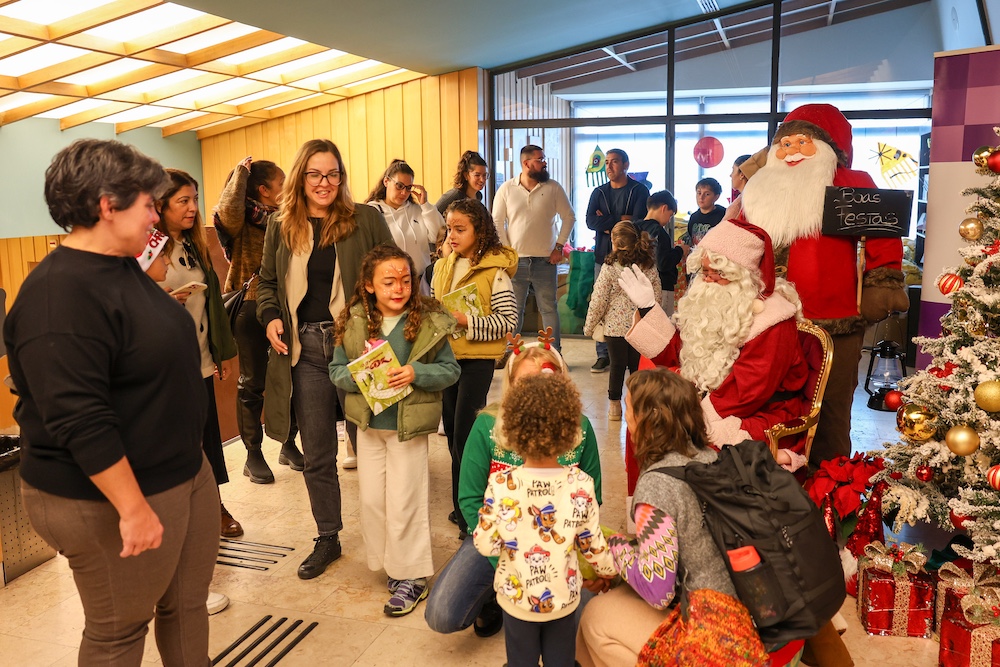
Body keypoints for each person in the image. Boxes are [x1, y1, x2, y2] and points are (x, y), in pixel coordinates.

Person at [4, 139, 219, 664]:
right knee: (119, 631)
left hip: (179, 469)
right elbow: (78, 417)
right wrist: (131, 507)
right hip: (110, 492)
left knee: (186, 607)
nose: (157, 214)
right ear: (107, 205)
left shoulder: (121, 265)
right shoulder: (58, 294)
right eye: (149, 203)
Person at [740, 103, 908, 466]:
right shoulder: (761, 188)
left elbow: (883, 231)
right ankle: (772, 477)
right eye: (784, 144)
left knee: (830, 407)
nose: (792, 151)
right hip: (764, 320)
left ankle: (831, 484)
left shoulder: (850, 183)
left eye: (804, 142)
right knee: (766, 402)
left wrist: (882, 282)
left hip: (833, 318)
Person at [257, 138, 395, 580]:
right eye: (315, 174)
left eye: (333, 174)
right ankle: (328, 536)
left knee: (375, 444)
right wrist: (271, 316)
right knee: (317, 452)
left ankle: (391, 537)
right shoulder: (281, 226)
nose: (325, 182)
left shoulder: (365, 219)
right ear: (300, 177)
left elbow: (393, 269)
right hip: (305, 352)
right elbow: (266, 283)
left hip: (357, 348)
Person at [575, 369, 773, 667]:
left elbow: (657, 590)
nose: (625, 418)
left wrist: (613, 546)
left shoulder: (657, 484)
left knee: (594, 618)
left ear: (647, 419)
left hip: (714, 631)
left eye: (629, 409)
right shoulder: (709, 457)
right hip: (751, 611)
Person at [424, 338, 605, 639]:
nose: (536, 395)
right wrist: (507, 564)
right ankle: (494, 599)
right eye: (525, 384)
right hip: (500, 540)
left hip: (561, 545)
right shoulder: (487, 426)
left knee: (577, 624)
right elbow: (469, 500)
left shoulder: (581, 428)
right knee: (442, 614)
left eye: (544, 382)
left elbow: (592, 499)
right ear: (510, 385)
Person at [618, 218, 809, 499]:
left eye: (713, 274)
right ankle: (652, 514)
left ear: (740, 274)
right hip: (715, 401)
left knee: (673, 434)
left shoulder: (773, 321)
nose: (705, 281)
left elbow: (747, 391)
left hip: (760, 413)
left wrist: (687, 416)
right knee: (647, 418)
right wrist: (648, 307)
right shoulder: (715, 305)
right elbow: (679, 353)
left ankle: (691, 519)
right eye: (703, 272)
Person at [330, 245, 460, 616]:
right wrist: (363, 376)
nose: (399, 288)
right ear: (369, 286)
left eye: (406, 280)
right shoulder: (354, 320)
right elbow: (337, 370)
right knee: (373, 501)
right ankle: (393, 564)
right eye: (388, 282)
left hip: (409, 428)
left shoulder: (428, 321)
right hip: (369, 428)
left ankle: (413, 576)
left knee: (406, 501)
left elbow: (451, 371)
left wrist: (417, 373)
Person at [473, 373, 615, 667]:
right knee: (561, 661)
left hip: (517, 601)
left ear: (511, 428)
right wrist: (608, 571)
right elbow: (592, 545)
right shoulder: (581, 484)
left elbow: (485, 544)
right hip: (563, 600)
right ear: (569, 429)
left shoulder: (501, 484)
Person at [154, 168, 241, 538]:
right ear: (161, 205)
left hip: (200, 358)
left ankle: (213, 505)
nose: (192, 208)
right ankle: (179, 513)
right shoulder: (147, 248)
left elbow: (211, 307)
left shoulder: (193, 245)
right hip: (167, 365)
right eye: (183, 201)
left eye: (194, 199)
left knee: (208, 439)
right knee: (177, 441)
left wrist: (218, 353)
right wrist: (165, 302)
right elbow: (128, 301)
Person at [214, 156, 305, 484]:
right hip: (250, 308)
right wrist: (239, 174)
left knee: (291, 380)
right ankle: (252, 454)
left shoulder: (289, 219)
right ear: (265, 190)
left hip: (286, 308)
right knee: (253, 384)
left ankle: (288, 443)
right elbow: (227, 213)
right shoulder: (243, 221)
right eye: (281, 183)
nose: (287, 188)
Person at [431, 198, 518, 537]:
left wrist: (467, 320)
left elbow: (508, 321)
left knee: (468, 438)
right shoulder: (444, 265)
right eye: (449, 229)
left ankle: (473, 515)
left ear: (479, 231)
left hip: (476, 362)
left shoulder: (495, 272)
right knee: (453, 435)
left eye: (460, 229)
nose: (451, 236)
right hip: (446, 360)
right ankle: (461, 507)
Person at [493, 145, 575, 350]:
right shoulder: (506, 189)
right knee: (514, 310)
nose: (544, 163)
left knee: (548, 309)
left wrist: (559, 246)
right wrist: (507, 252)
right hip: (516, 262)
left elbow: (569, 217)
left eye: (543, 159)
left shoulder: (553, 188)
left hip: (546, 261)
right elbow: (496, 222)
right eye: (540, 159)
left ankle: (555, 353)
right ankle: (510, 354)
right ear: (526, 163)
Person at [584, 221, 659, 420]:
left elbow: (598, 300)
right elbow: (656, 296)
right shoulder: (648, 266)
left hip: (614, 328)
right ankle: (638, 404)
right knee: (637, 366)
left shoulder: (609, 268)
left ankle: (615, 407)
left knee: (617, 365)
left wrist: (589, 326)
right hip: (640, 325)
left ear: (615, 243)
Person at [585, 148, 650, 373]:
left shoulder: (639, 190)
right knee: (602, 302)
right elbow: (590, 221)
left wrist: (609, 225)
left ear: (625, 165)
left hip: (634, 259)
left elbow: (638, 223)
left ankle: (633, 351)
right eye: (607, 163)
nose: (609, 167)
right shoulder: (598, 192)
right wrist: (619, 221)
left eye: (614, 162)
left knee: (631, 306)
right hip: (604, 257)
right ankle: (603, 355)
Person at [366, 159, 445, 288]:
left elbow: (438, 236)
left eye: (408, 188)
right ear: (386, 181)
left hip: (421, 283)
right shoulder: (373, 212)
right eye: (399, 186)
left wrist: (425, 205)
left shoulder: (417, 210)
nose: (403, 193)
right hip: (390, 285)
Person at [632, 190, 687, 315]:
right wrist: (680, 251)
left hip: (637, 286)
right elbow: (663, 264)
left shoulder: (633, 228)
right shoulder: (659, 232)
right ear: (664, 208)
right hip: (661, 287)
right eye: (670, 215)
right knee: (662, 328)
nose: (669, 220)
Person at [436, 150, 489, 214]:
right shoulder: (454, 196)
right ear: (466, 175)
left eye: (484, 175)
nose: (482, 180)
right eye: (477, 175)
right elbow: (433, 216)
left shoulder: (478, 196)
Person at [682, 177, 726, 247]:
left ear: (716, 197)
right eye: (699, 193)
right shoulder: (694, 217)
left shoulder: (723, 215)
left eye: (707, 194)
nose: (701, 197)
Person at [724, 154, 752, 220]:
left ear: (742, 174)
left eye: (733, 170)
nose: (730, 175)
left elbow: (723, 228)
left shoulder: (738, 204)